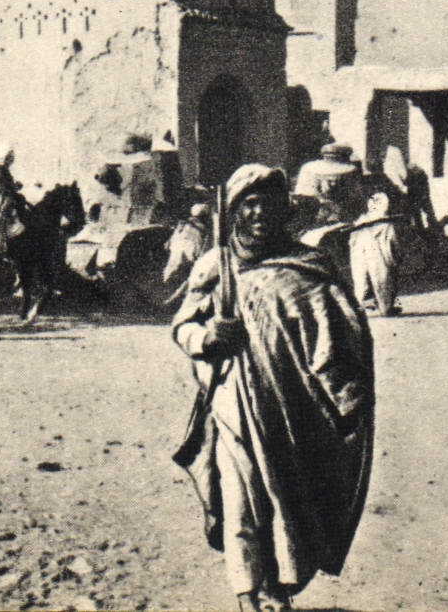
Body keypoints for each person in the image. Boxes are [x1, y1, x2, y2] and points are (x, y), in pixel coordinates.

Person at [171, 165, 375, 612]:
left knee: (286, 499)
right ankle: (248, 592)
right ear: (236, 212)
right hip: (235, 403)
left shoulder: (309, 264)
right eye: (250, 204)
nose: (261, 213)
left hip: (295, 407)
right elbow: (182, 326)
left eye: (270, 204)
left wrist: (347, 388)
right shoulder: (216, 265)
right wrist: (207, 338)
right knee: (243, 503)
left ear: (285, 209)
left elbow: (342, 327)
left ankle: (277, 587)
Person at [347, 189, 405, 317]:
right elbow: (393, 241)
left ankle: (360, 306)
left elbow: (352, 241)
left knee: (361, 279)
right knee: (383, 280)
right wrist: (396, 257)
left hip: (359, 251)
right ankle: (385, 307)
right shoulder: (387, 225)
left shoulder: (359, 223)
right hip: (377, 252)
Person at [293, 143, 361, 226]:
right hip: (334, 215)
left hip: (319, 216)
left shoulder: (309, 168)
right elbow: (356, 197)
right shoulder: (350, 170)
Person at [161, 202, 212, 307]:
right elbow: (199, 251)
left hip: (174, 259)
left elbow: (167, 245)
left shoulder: (181, 226)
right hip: (187, 261)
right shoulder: (201, 230)